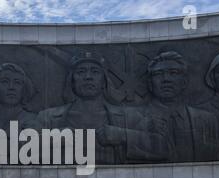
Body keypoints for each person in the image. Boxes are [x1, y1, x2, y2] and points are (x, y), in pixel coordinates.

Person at [35, 51, 166, 164]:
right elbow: (21, 149)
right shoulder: (48, 117)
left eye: (95, 71)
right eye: (81, 72)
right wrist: (55, 138)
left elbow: (163, 147)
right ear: (72, 80)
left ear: (104, 80)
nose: (88, 77)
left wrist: (122, 135)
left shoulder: (129, 117)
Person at [136, 51, 219, 163]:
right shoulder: (135, 120)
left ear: (184, 82)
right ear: (150, 83)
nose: (166, 79)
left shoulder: (207, 120)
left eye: (173, 73)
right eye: (158, 74)